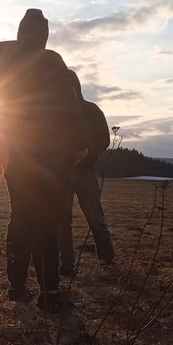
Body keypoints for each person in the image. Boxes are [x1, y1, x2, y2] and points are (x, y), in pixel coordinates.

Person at [0, 8, 89, 312]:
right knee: (47, 222)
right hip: (47, 156)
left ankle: (16, 288)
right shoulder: (50, 61)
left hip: (14, 158)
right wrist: (81, 141)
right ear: (42, 35)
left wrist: (1, 150)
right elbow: (68, 104)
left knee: (20, 218)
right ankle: (51, 294)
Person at [57, 70, 116, 275]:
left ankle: (107, 259)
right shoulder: (57, 113)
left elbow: (105, 140)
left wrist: (87, 153)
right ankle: (66, 265)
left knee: (95, 218)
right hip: (61, 173)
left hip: (85, 173)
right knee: (62, 221)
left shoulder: (91, 110)